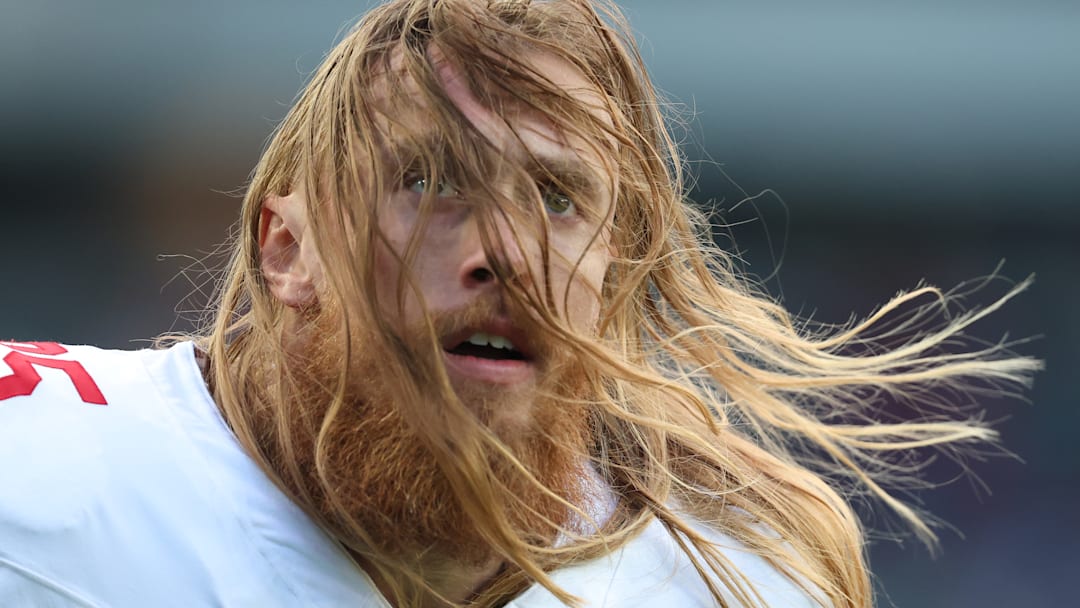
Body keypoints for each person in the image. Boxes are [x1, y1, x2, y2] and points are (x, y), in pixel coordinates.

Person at [0, 0, 1038, 606]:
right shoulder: (38, 478)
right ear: (286, 248)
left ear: (615, 277)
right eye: (426, 182)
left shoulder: (737, 581)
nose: (504, 251)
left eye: (557, 197)